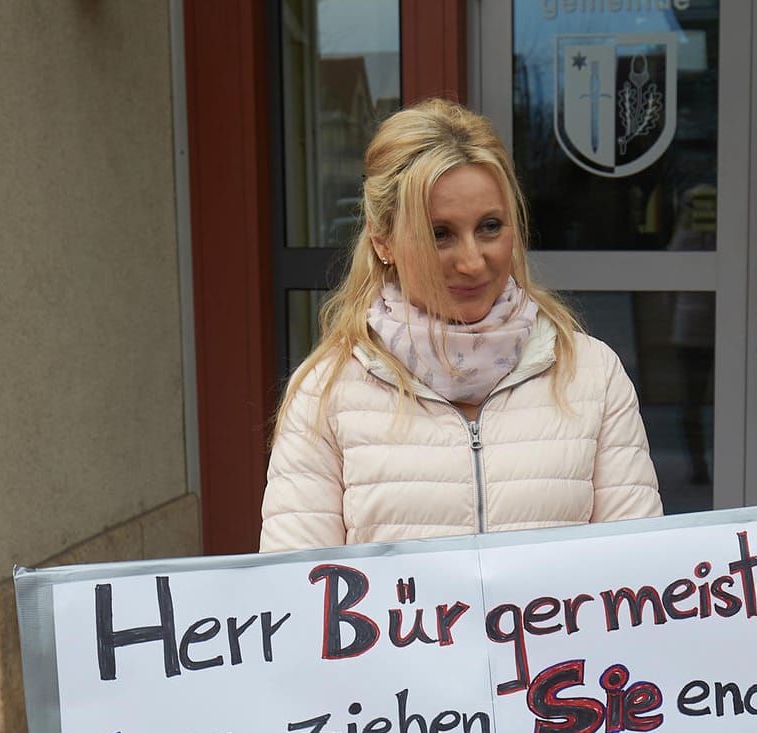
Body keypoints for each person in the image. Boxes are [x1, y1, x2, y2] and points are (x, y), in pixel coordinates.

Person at [261, 100, 662, 551]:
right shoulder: (326, 394)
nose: (473, 263)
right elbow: (303, 594)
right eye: (440, 234)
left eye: (490, 227)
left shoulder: (591, 374)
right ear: (382, 241)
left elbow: (636, 573)